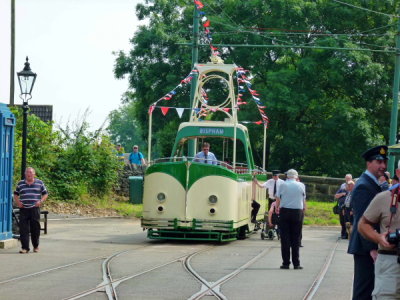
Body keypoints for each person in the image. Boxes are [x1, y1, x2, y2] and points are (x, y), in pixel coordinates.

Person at [348, 145, 388, 300]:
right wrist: (372, 248)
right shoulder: (364, 186)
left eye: (384, 162)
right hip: (366, 248)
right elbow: (363, 221)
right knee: (364, 291)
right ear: (369, 163)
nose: (383, 166)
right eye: (379, 162)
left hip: (367, 246)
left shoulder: (370, 183)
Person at [358, 160, 400, 299]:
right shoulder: (384, 198)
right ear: (399, 173)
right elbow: (363, 224)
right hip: (391, 262)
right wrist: (379, 238)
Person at [276, 169, 306, 270]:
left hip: (285, 211)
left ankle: (285, 263)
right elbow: (303, 199)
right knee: (296, 238)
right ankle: (296, 263)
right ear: (296, 177)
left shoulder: (283, 185)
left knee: (285, 238)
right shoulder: (301, 185)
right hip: (297, 212)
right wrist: (303, 210)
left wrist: (277, 208)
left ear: (287, 176)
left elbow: (278, 198)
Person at [14, 167, 48, 254]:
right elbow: (16, 194)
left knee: (35, 228)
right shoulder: (20, 184)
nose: (28, 174)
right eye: (27, 172)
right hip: (24, 209)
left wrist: (40, 201)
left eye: (30, 172)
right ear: (25, 174)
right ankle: (25, 248)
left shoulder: (39, 183)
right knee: (23, 229)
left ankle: (36, 246)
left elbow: (45, 194)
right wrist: (18, 202)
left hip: (34, 209)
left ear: (34, 174)